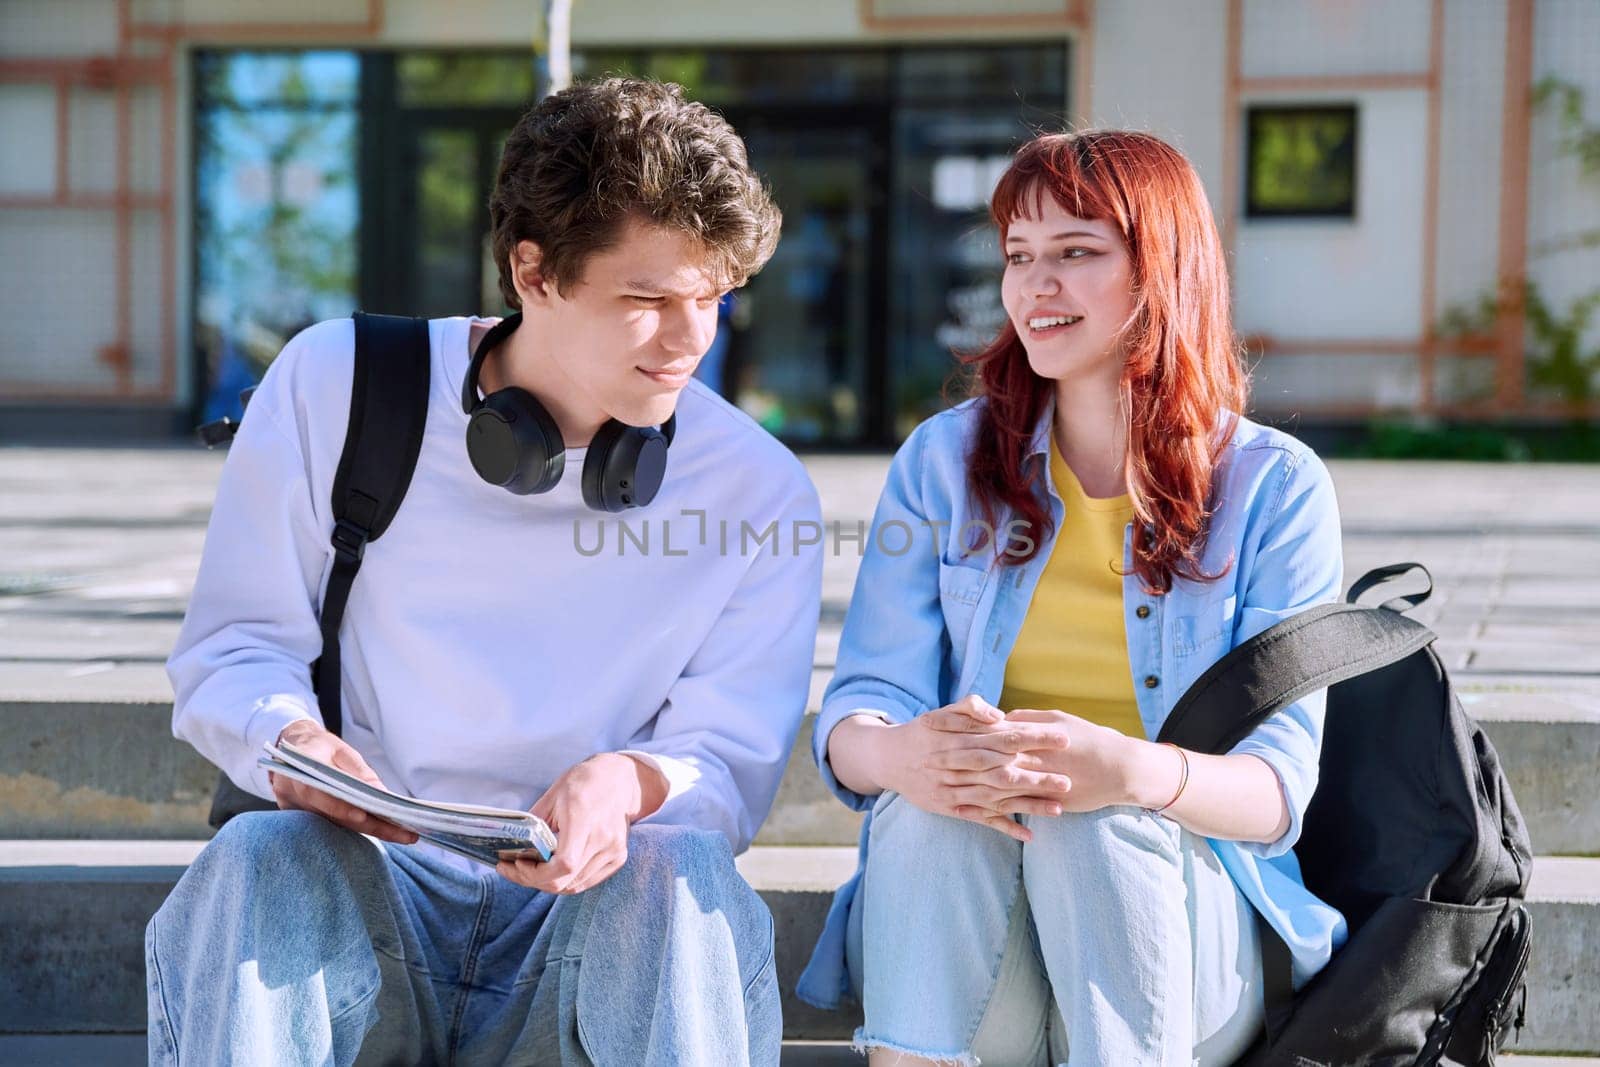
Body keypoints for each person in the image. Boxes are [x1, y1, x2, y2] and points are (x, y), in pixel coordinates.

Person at [148, 77, 823, 1066]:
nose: (690, 341)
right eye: (645, 300)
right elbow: (235, 647)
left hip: (588, 920)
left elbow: (726, 759)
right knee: (260, 856)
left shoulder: (758, 487)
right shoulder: (341, 383)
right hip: (369, 893)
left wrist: (631, 783)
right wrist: (287, 738)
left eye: (712, 298)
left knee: (675, 873)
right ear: (532, 271)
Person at [795, 130, 1347, 1066]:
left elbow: (1277, 790)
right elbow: (858, 710)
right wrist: (904, 753)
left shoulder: (1275, 487)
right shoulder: (942, 462)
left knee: (1094, 820)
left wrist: (1131, 773)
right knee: (930, 809)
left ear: (1161, 270)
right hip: (974, 929)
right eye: (1018, 256)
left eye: (1076, 253)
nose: (1033, 286)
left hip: (1180, 944)